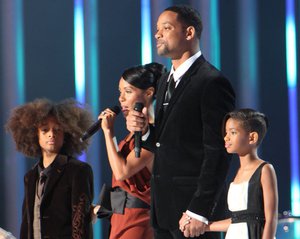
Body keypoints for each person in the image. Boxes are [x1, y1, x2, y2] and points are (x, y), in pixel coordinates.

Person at [126, 5, 236, 239]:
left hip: (193, 212)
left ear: (189, 33)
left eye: (166, 28)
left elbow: (217, 152)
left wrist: (200, 210)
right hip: (163, 210)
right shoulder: (166, 79)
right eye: (157, 29)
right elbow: (165, 142)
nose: (157, 35)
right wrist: (145, 132)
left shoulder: (211, 82)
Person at [94, 63, 166, 239]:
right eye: (120, 92)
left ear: (149, 93)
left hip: (138, 221)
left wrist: (108, 132)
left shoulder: (154, 134)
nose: (121, 99)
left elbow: (122, 172)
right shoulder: (132, 135)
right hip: (121, 218)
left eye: (128, 91)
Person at [6, 98, 94, 239]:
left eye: (57, 129)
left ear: (66, 134)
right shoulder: (30, 176)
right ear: (35, 135)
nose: (51, 134)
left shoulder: (78, 171)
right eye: (45, 129)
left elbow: (80, 222)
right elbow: (26, 223)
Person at [199, 108, 278, 238]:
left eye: (233, 132)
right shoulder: (237, 173)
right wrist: (203, 225)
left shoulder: (265, 169)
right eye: (226, 132)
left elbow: (271, 218)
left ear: (252, 137)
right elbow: (237, 221)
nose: (226, 137)